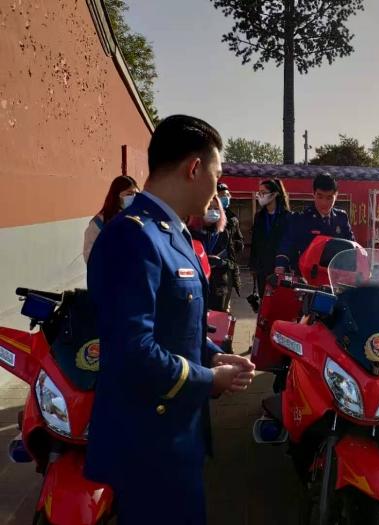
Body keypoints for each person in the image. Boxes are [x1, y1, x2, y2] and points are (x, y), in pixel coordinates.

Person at [86, 114, 256, 525]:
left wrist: (212, 355)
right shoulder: (132, 236)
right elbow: (132, 351)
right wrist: (208, 379)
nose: (217, 189)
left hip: (177, 435)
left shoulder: (173, 233)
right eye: (217, 175)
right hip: (148, 444)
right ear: (194, 169)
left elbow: (177, 322)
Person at [275, 172, 354, 272]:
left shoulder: (341, 218)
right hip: (307, 276)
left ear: (336, 195)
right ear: (313, 193)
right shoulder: (301, 219)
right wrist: (280, 265)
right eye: (320, 197)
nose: (324, 202)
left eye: (329, 198)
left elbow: (352, 247)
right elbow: (286, 245)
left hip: (335, 275)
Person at [189, 196, 240, 312]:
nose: (213, 211)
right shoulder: (190, 233)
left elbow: (232, 263)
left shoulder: (224, 233)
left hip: (219, 288)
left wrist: (221, 262)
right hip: (197, 287)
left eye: (216, 208)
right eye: (209, 207)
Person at [83, 175, 139, 263]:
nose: (133, 197)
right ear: (116, 195)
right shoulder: (100, 222)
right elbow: (89, 255)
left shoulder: (138, 218)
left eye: (136, 194)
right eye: (129, 194)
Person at [249, 178, 292, 293]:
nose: (260, 196)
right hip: (262, 266)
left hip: (279, 266)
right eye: (259, 193)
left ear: (274, 194)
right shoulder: (259, 216)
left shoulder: (286, 216)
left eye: (263, 193)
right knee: (263, 298)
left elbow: (289, 243)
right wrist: (253, 265)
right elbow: (255, 241)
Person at [217, 182, 245, 255]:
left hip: (230, 259)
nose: (227, 197)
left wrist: (234, 246)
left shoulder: (233, 218)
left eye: (228, 195)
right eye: (223, 195)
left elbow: (239, 238)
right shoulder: (210, 216)